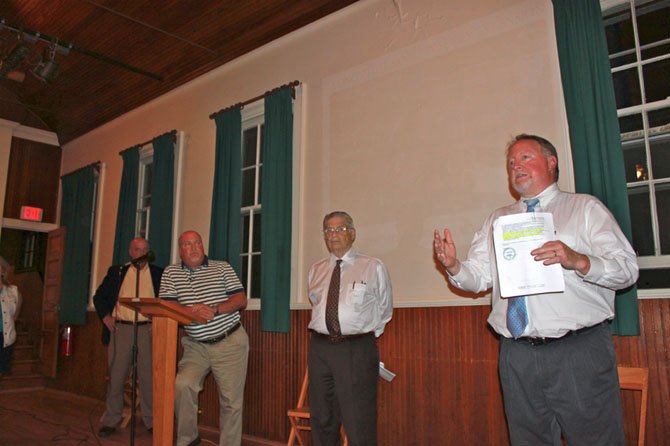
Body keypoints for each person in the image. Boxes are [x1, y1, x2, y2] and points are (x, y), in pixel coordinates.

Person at [433, 134, 638, 445]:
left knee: (596, 439)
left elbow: (626, 269)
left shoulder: (583, 209)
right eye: (512, 163)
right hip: (517, 354)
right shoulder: (497, 219)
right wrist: (453, 266)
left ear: (551, 162)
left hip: (577, 350)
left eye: (525, 158)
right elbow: (478, 278)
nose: (516, 167)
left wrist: (577, 260)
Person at [308, 211, 393, 446]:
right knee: (322, 417)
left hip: (356, 348)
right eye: (328, 230)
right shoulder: (316, 269)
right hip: (320, 348)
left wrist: (362, 338)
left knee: (358, 420)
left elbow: (385, 310)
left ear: (352, 233)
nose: (333, 235)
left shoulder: (372, 267)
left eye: (340, 229)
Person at [159, 230, 249, 446]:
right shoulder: (171, 273)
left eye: (197, 243)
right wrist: (190, 312)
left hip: (229, 341)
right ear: (180, 251)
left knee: (231, 402)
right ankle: (188, 439)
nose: (194, 247)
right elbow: (168, 307)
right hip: (195, 346)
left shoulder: (222, 267)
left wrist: (214, 309)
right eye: (188, 244)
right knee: (183, 385)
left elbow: (240, 299)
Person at [93, 237, 163, 437]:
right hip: (121, 330)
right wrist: (105, 316)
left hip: (147, 330)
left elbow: (167, 300)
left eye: (145, 249)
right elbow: (99, 297)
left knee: (149, 379)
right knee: (116, 377)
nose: (141, 252)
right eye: (137, 249)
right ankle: (111, 419)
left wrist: (158, 321)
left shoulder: (159, 273)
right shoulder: (118, 272)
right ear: (130, 252)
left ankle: (152, 421)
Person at [0, 256, 22, 380]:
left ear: (3, 271)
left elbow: (15, 316)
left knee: (1, 370)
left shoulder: (13, 292)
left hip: (5, 337)